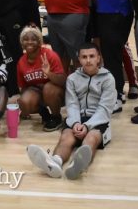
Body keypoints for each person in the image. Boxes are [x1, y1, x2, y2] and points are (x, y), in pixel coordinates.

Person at [27, 43, 115, 179]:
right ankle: (55, 163)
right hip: (77, 119)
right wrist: (75, 123)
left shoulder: (108, 79)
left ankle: (77, 165)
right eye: (84, 57)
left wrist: (87, 126)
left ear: (99, 58)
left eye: (92, 56)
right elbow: (72, 104)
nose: (88, 60)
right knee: (66, 138)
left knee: (91, 139)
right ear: (79, 59)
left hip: (98, 120)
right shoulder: (72, 78)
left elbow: (104, 108)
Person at [17, 26, 66, 131]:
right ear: (22, 43)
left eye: (33, 39)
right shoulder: (21, 61)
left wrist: (49, 73)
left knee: (48, 89)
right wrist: (25, 103)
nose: (29, 42)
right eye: (26, 39)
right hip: (36, 91)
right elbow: (23, 87)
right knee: (24, 102)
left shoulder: (50, 55)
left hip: (55, 91)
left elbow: (62, 80)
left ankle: (56, 117)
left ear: (39, 41)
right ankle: (44, 114)